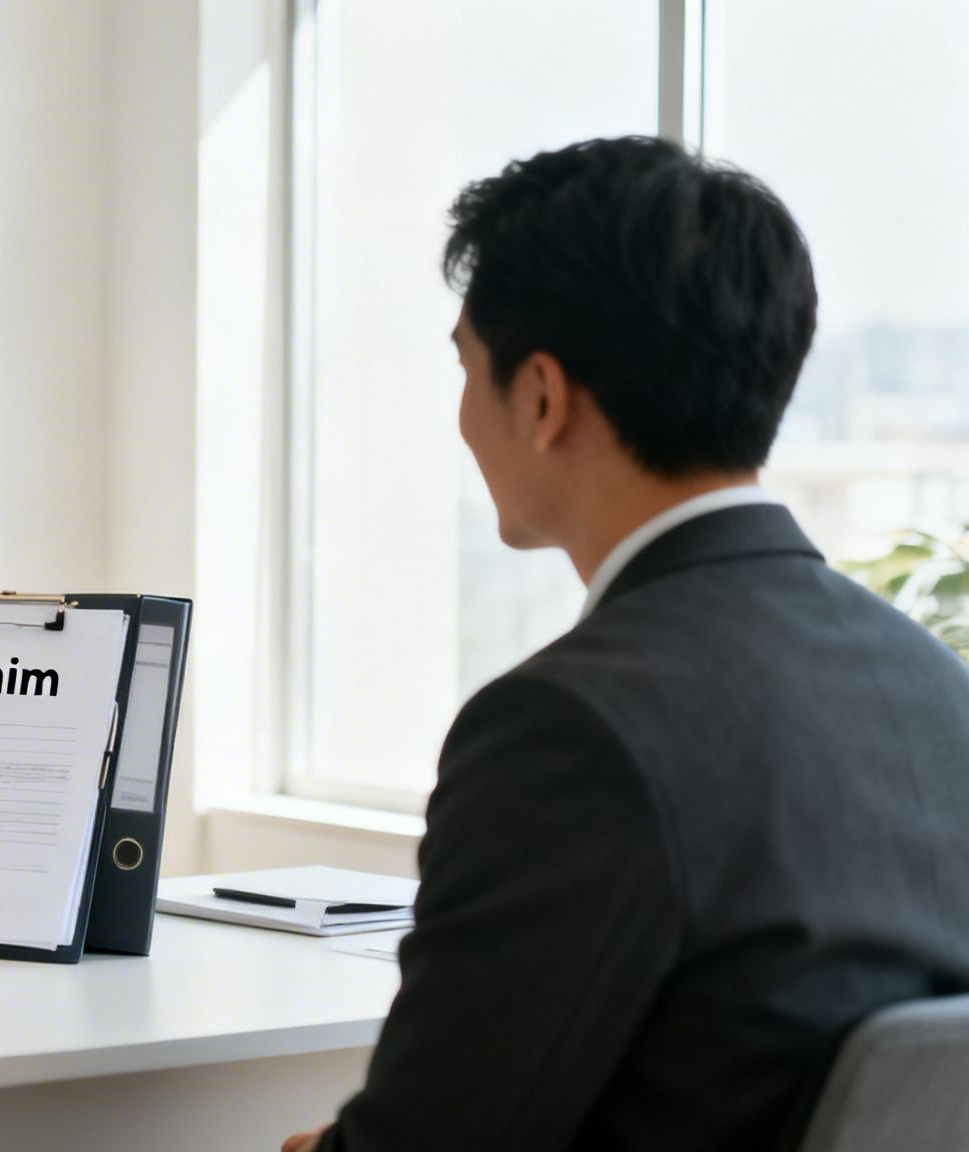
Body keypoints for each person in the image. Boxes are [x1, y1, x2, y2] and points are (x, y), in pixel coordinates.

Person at [284, 137, 969, 1152]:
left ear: (543, 398)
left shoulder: (565, 729)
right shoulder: (933, 687)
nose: (463, 415)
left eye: (468, 369)